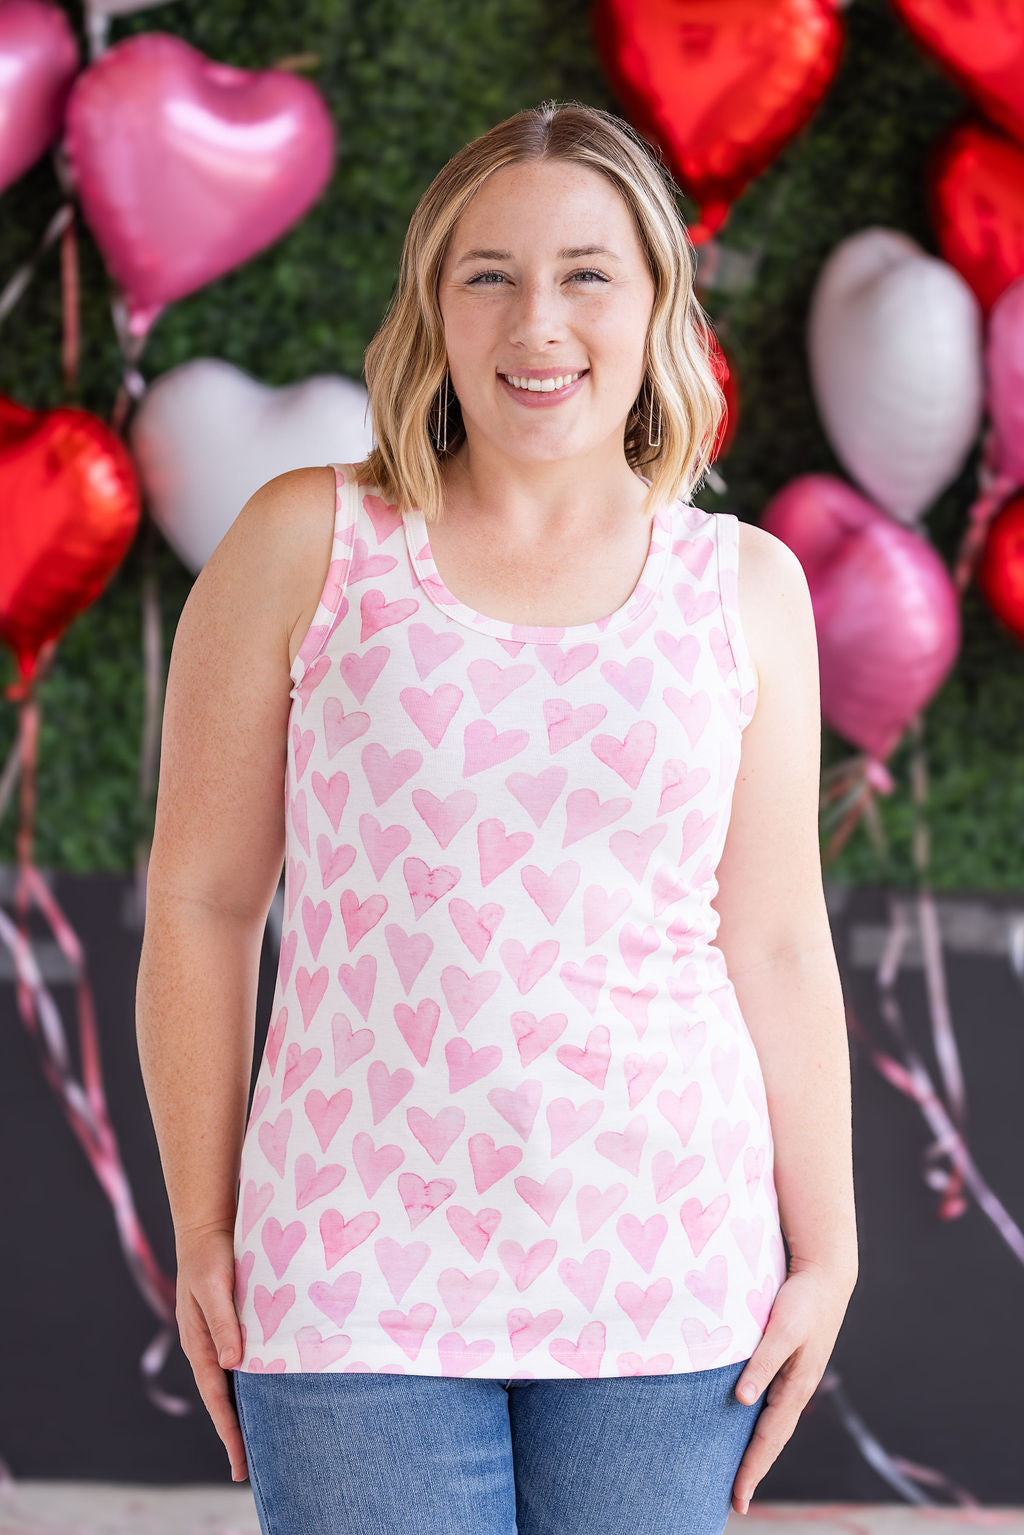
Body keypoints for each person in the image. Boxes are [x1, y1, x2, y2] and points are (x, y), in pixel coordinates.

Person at [136, 98, 858, 1535]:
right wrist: (208, 1227)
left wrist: (828, 1251)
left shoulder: (746, 589)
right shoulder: (304, 543)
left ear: (655, 300)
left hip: (664, 1268)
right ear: (434, 307)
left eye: (587, 273)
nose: (540, 322)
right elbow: (204, 906)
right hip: (354, 1263)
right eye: (491, 275)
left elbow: (774, 940)